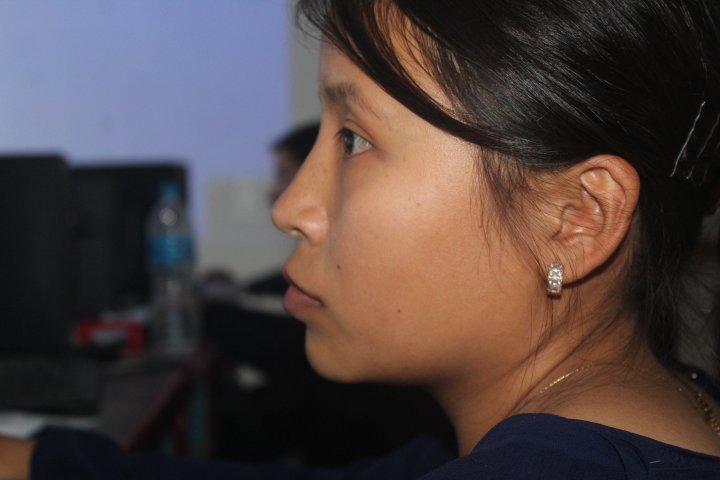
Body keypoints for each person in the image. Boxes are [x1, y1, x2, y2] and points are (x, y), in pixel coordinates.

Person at [2, 0, 720, 478]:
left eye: (354, 139)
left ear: (574, 218)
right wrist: (36, 463)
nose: (290, 208)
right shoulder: (638, 413)